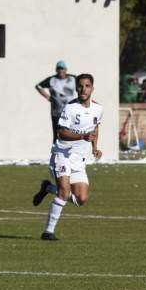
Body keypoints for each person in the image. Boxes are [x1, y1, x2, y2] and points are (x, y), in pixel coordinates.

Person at [33, 73, 102, 241]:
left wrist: (94, 147)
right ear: (76, 88)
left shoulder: (98, 108)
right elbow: (61, 133)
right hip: (62, 154)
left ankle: (48, 188)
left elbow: (95, 128)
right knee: (64, 192)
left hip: (79, 159)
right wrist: (81, 137)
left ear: (92, 88)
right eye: (80, 86)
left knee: (81, 199)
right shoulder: (70, 108)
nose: (83, 89)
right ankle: (48, 232)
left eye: (87, 86)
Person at [35, 60, 77, 142]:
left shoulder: (73, 78)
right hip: (57, 112)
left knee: (72, 133)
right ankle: (56, 153)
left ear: (66, 69)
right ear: (56, 70)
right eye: (59, 69)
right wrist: (48, 97)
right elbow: (38, 86)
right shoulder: (52, 80)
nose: (61, 71)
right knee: (58, 134)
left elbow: (82, 85)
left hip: (71, 111)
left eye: (62, 69)